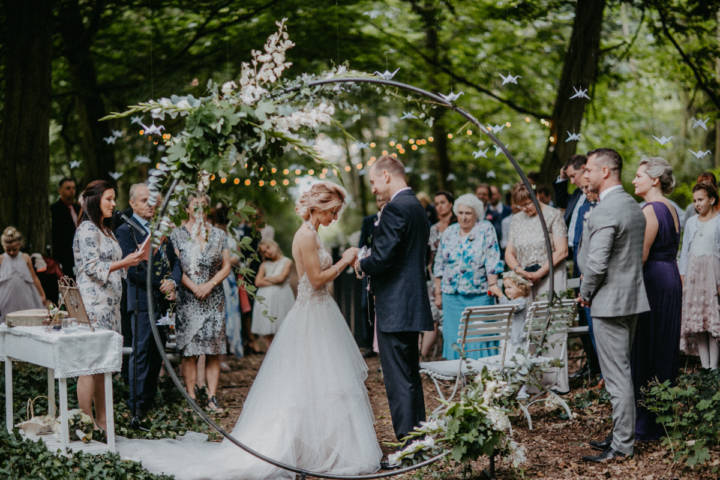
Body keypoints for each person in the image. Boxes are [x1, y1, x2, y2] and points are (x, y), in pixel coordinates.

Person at [118, 181, 382, 479]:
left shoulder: (313, 233)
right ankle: (302, 447)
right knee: (308, 381)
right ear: (317, 208)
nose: (334, 218)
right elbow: (318, 280)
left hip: (321, 314)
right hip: (312, 314)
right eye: (332, 211)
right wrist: (345, 260)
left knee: (324, 382)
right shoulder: (305, 235)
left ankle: (326, 447)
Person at [577, 148, 649, 462]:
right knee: (622, 372)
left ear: (605, 171)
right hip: (630, 299)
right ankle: (619, 436)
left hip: (608, 303)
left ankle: (622, 445)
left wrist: (585, 292)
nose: (585, 175)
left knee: (617, 375)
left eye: (589, 169)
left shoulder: (607, 209)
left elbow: (597, 264)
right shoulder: (633, 206)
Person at [356, 155, 434, 442]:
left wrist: (361, 264)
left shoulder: (394, 210)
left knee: (398, 381)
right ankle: (420, 438)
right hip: (411, 304)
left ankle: (408, 443)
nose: (373, 189)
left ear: (386, 176)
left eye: (374, 182)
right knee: (410, 376)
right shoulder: (416, 207)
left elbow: (382, 258)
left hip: (395, 307)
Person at [73, 180, 149, 431]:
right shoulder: (86, 230)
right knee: (88, 365)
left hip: (111, 306)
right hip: (94, 307)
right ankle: (86, 423)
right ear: (95, 201)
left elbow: (115, 263)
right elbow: (92, 268)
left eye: (114, 198)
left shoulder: (106, 230)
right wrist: (125, 261)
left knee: (103, 367)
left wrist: (132, 260)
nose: (114, 204)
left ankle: (104, 421)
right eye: (109, 199)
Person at [116, 183, 181, 423]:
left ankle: (150, 401)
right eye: (144, 200)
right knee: (141, 352)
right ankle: (136, 407)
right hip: (141, 300)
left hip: (163, 302)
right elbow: (131, 269)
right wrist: (159, 282)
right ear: (132, 203)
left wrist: (172, 281)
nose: (150, 205)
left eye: (152, 200)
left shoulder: (162, 231)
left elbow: (176, 262)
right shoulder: (125, 231)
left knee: (157, 352)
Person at [630, 157, 682, 442]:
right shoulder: (672, 209)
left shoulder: (650, 210)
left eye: (639, 176)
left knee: (648, 345)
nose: (634, 180)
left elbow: (641, 255)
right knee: (664, 344)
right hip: (670, 277)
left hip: (654, 280)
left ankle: (645, 424)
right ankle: (661, 417)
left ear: (654, 179)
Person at [170, 193, 232, 411]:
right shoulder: (177, 235)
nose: (199, 211)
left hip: (214, 297)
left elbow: (226, 266)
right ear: (187, 209)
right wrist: (194, 287)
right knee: (190, 350)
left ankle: (212, 397)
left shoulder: (218, 234)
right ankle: (191, 397)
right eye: (194, 206)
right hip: (188, 298)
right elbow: (175, 265)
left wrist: (210, 284)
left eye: (203, 207)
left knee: (213, 349)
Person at [433, 193, 503, 360]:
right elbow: (439, 264)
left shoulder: (486, 229)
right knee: (454, 336)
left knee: (479, 337)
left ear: (476, 214)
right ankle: (459, 374)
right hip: (452, 295)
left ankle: (482, 375)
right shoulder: (449, 232)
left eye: (468, 213)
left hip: (479, 295)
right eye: (461, 213)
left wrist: (493, 285)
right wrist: (437, 293)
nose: (464, 218)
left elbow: (492, 260)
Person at [679, 182, 720, 369]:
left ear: (711, 200)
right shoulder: (691, 223)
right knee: (699, 324)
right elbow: (685, 251)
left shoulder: (718, 221)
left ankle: (714, 367)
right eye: (694, 200)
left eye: (701, 199)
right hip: (695, 276)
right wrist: (683, 275)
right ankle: (705, 367)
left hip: (712, 275)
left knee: (712, 322)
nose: (697, 204)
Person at [505, 182, 568, 300]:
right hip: (525, 280)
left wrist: (538, 274)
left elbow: (562, 251)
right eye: (520, 206)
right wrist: (521, 272)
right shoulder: (516, 220)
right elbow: (509, 253)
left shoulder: (553, 215)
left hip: (550, 276)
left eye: (527, 204)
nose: (524, 209)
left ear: (537, 196)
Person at [422, 191, 456, 359]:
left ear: (451, 204)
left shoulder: (458, 226)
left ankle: (451, 355)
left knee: (450, 318)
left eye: (443, 202)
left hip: (455, 277)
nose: (440, 206)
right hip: (434, 278)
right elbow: (428, 256)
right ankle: (422, 356)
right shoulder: (432, 229)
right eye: (436, 203)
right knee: (432, 317)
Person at [251, 239, 294, 349]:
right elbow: (257, 282)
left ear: (275, 245)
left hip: (282, 298)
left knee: (283, 326)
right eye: (264, 252)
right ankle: (270, 354)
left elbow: (281, 278)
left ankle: (284, 352)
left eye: (268, 248)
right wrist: (273, 279)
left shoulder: (287, 261)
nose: (267, 252)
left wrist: (265, 278)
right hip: (266, 299)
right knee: (268, 329)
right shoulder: (264, 264)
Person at [0, 226, 47, 321]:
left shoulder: (25, 257)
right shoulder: (1, 259)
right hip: (6, 298)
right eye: (8, 250)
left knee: (27, 318)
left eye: (14, 249)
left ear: (19, 245)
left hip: (26, 296)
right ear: (3, 247)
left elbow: (34, 278)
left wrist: (42, 294)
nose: (12, 252)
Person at [489, 272, 531, 358]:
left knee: (516, 360)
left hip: (516, 340)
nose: (506, 290)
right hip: (508, 339)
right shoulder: (513, 301)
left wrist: (500, 295)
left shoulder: (521, 301)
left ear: (521, 288)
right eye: (505, 288)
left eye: (509, 287)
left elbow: (509, 308)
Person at [51, 177, 81, 278]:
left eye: (73, 188)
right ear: (60, 190)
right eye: (68, 188)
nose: (72, 191)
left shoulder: (78, 208)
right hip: (64, 255)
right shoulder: (54, 209)